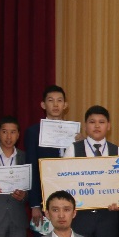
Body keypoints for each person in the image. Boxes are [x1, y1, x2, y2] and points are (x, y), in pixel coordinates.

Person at [64, 105, 119, 237]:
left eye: (101, 122)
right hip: (81, 216)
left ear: (108, 126)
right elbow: (65, 183)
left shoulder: (118, 152)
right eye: (92, 122)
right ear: (85, 126)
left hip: (108, 216)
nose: (97, 126)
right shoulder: (72, 150)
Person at [27, 85, 75, 229]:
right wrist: (35, 204)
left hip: (70, 194)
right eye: (51, 100)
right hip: (44, 196)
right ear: (43, 104)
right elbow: (32, 168)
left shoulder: (74, 132)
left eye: (59, 100)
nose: (55, 105)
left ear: (65, 105)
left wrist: (80, 143)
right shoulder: (34, 132)